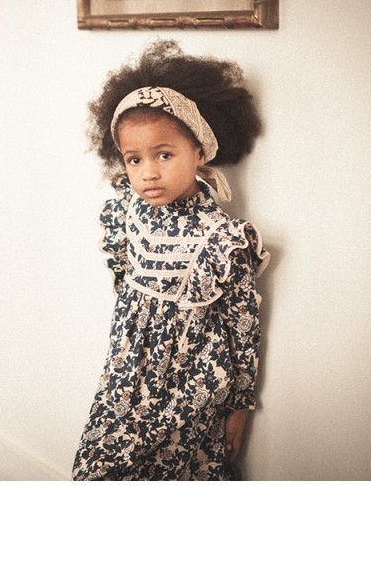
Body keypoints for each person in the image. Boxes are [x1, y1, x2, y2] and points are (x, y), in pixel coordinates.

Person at [71, 39, 270, 481]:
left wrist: (239, 407)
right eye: (134, 159)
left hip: (189, 384)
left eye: (164, 154)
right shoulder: (126, 209)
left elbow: (243, 326)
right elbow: (123, 277)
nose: (149, 172)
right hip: (126, 375)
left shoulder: (222, 239)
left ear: (199, 151)